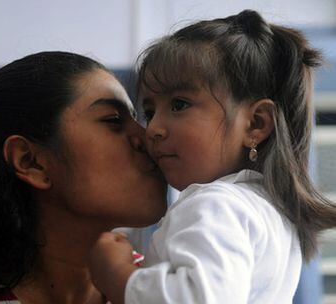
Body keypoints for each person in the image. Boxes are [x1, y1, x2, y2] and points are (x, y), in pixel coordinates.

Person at [88, 10, 336, 303]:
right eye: (150, 112)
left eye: (179, 105)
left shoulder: (216, 205)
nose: (152, 129)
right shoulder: (262, 211)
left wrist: (119, 276)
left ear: (256, 124)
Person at [0, 51, 168, 303]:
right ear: (31, 162)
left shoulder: (168, 287)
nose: (147, 137)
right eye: (113, 120)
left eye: (141, 118)